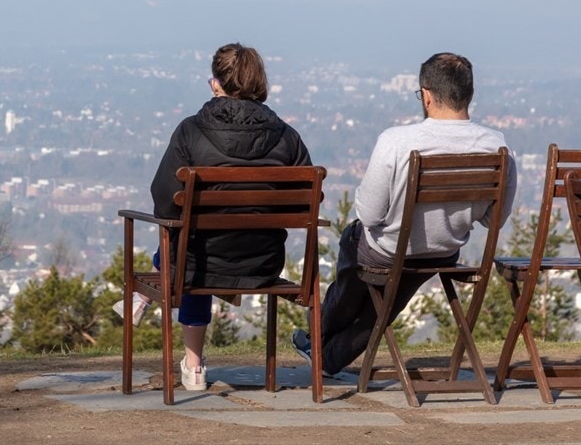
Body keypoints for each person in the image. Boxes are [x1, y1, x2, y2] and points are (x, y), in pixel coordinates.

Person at [293, 52, 516, 382]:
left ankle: (319, 331)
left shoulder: (397, 142)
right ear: (469, 94)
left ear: (426, 96)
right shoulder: (498, 147)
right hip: (443, 252)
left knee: (355, 243)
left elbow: (369, 215)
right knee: (390, 294)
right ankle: (328, 354)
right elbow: (494, 220)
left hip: (388, 251)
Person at [124, 43, 311, 395]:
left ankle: (193, 365)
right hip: (263, 263)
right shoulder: (288, 137)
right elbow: (304, 206)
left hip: (199, 263)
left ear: (215, 84)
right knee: (194, 248)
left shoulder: (190, 132)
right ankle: (186, 352)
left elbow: (164, 202)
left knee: (190, 246)